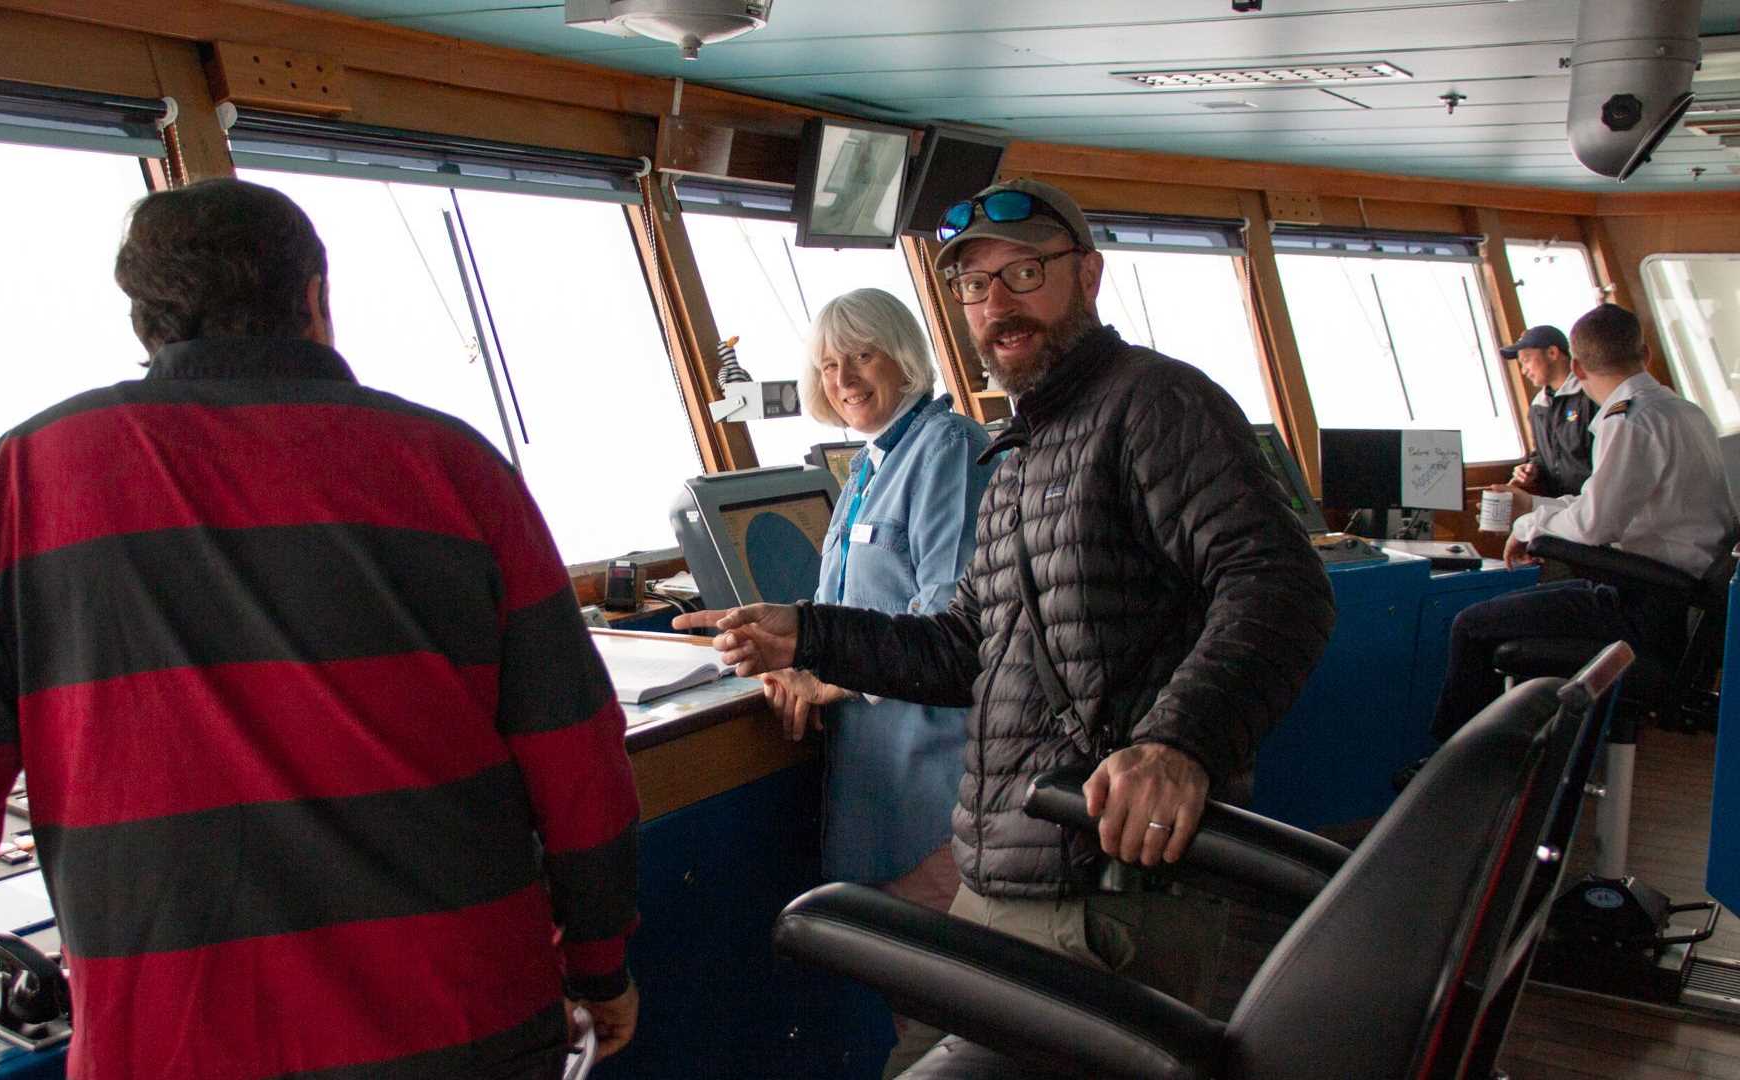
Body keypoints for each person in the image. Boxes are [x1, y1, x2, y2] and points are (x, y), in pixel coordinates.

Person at [0, 179, 640, 1080]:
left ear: (147, 322)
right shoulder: (459, 468)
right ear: (316, 299)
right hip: (466, 1028)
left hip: (171, 1047)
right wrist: (598, 962)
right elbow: (578, 759)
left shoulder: (16, 484)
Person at [676, 178, 1335, 1069]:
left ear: (1088, 275)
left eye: (1025, 273)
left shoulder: (1154, 403)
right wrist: (807, 633)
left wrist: (1180, 744)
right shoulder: (1024, 449)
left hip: (1102, 880)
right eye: (974, 285)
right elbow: (964, 647)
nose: (997, 304)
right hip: (1011, 865)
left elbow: (1280, 583)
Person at [762, 288, 991, 1045]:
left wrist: (826, 674)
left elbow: (948, 617)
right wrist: (791, 659)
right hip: (883, 789)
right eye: (830, 365)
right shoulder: (869, 466)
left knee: (953, 1020)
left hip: (938, 782)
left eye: (862, 356)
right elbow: (845, 608)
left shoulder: (948, 448)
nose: (845, 379)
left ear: (904, 356)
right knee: (919, 1010)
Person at [1431, 303, 1737, 741]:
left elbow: (1594, 526)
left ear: (1575, 366)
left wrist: (1528, 528)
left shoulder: (1628, 420)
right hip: (1676, 598)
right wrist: (1535, 514)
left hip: (1646, 606)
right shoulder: (1683, 411)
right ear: (1645, 354)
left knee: (1471, 626)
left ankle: (1457, 767)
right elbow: (1598, 504)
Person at [1504, 324, 1596, 497]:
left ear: (1552, 353)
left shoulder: (1591, 395)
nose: (1523, 371)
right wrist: (1532, 468)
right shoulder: (1537, 408)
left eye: (1526, 360)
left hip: (1596, 501)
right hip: (1559, 505)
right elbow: (1543, 455)